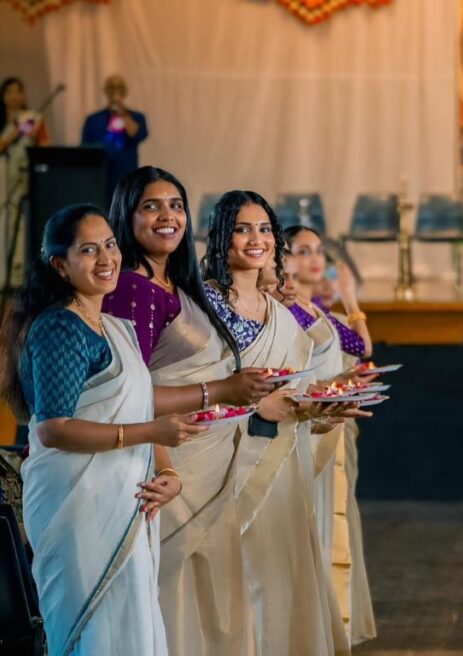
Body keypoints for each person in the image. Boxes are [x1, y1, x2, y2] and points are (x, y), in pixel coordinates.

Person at [0, 204, 209, 655]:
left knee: (131, 627)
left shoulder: (117, 328)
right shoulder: (60, 327)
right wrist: (149, 431)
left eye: (110, 246)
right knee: (94, 633)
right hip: (78, 510)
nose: (106, 259)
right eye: (88, 250)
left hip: (128, 500)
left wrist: (168, 472)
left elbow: (138, 407)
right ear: (60, 264)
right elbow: (55, 429)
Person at [103, 166, 280, 655]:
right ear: (127, 216)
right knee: (174, 592)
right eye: (151, 206)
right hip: (167, 461)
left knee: (215, 595)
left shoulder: (178, 286)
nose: (168, 216)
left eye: (176, 205)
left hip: (208, 455)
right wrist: (219, 391)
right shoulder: (131, 289)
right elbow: (127, 395)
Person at [202, 190, 354, 655]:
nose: (256, 239)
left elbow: (308, 370)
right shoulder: (206, 302)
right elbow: (196, 387)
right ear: (221, 237)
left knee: (282, 572)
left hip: (284, 457)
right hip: (229, 461)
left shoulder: (279, 308)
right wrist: (254, 409)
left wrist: (318, 409)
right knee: (245, 580)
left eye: (264, 229)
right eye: (242, 228)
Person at [283, 225, 377, 644]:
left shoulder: (315, 309)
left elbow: (358, 348)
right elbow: (361, 347)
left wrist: (350, 298)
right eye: (303, 251)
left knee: (334, 516)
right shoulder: (289, 309)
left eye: (319, 250)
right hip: (307, 424)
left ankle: (331, 620)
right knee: (315, 518)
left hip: (333, 421)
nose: (315, 259)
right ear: (282, 258)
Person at [1, 77, 48, 287]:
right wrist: (13, 134)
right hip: (2, 177)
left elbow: (44, 145)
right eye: (9, 92)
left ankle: (18, 278)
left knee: (20, 226)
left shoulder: (33, 119)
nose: (14, 96)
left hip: (23, 179)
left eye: (18, 91)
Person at [81, 75, 149, 203]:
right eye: (111, 87)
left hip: (126, 176)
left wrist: (122, 113)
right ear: (106, 91)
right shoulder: (94, 119)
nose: (115, 91)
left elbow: (138, 134)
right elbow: (85, 149)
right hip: (100, 177)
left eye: (118, 87)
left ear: (125, 91)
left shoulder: (136, 117)